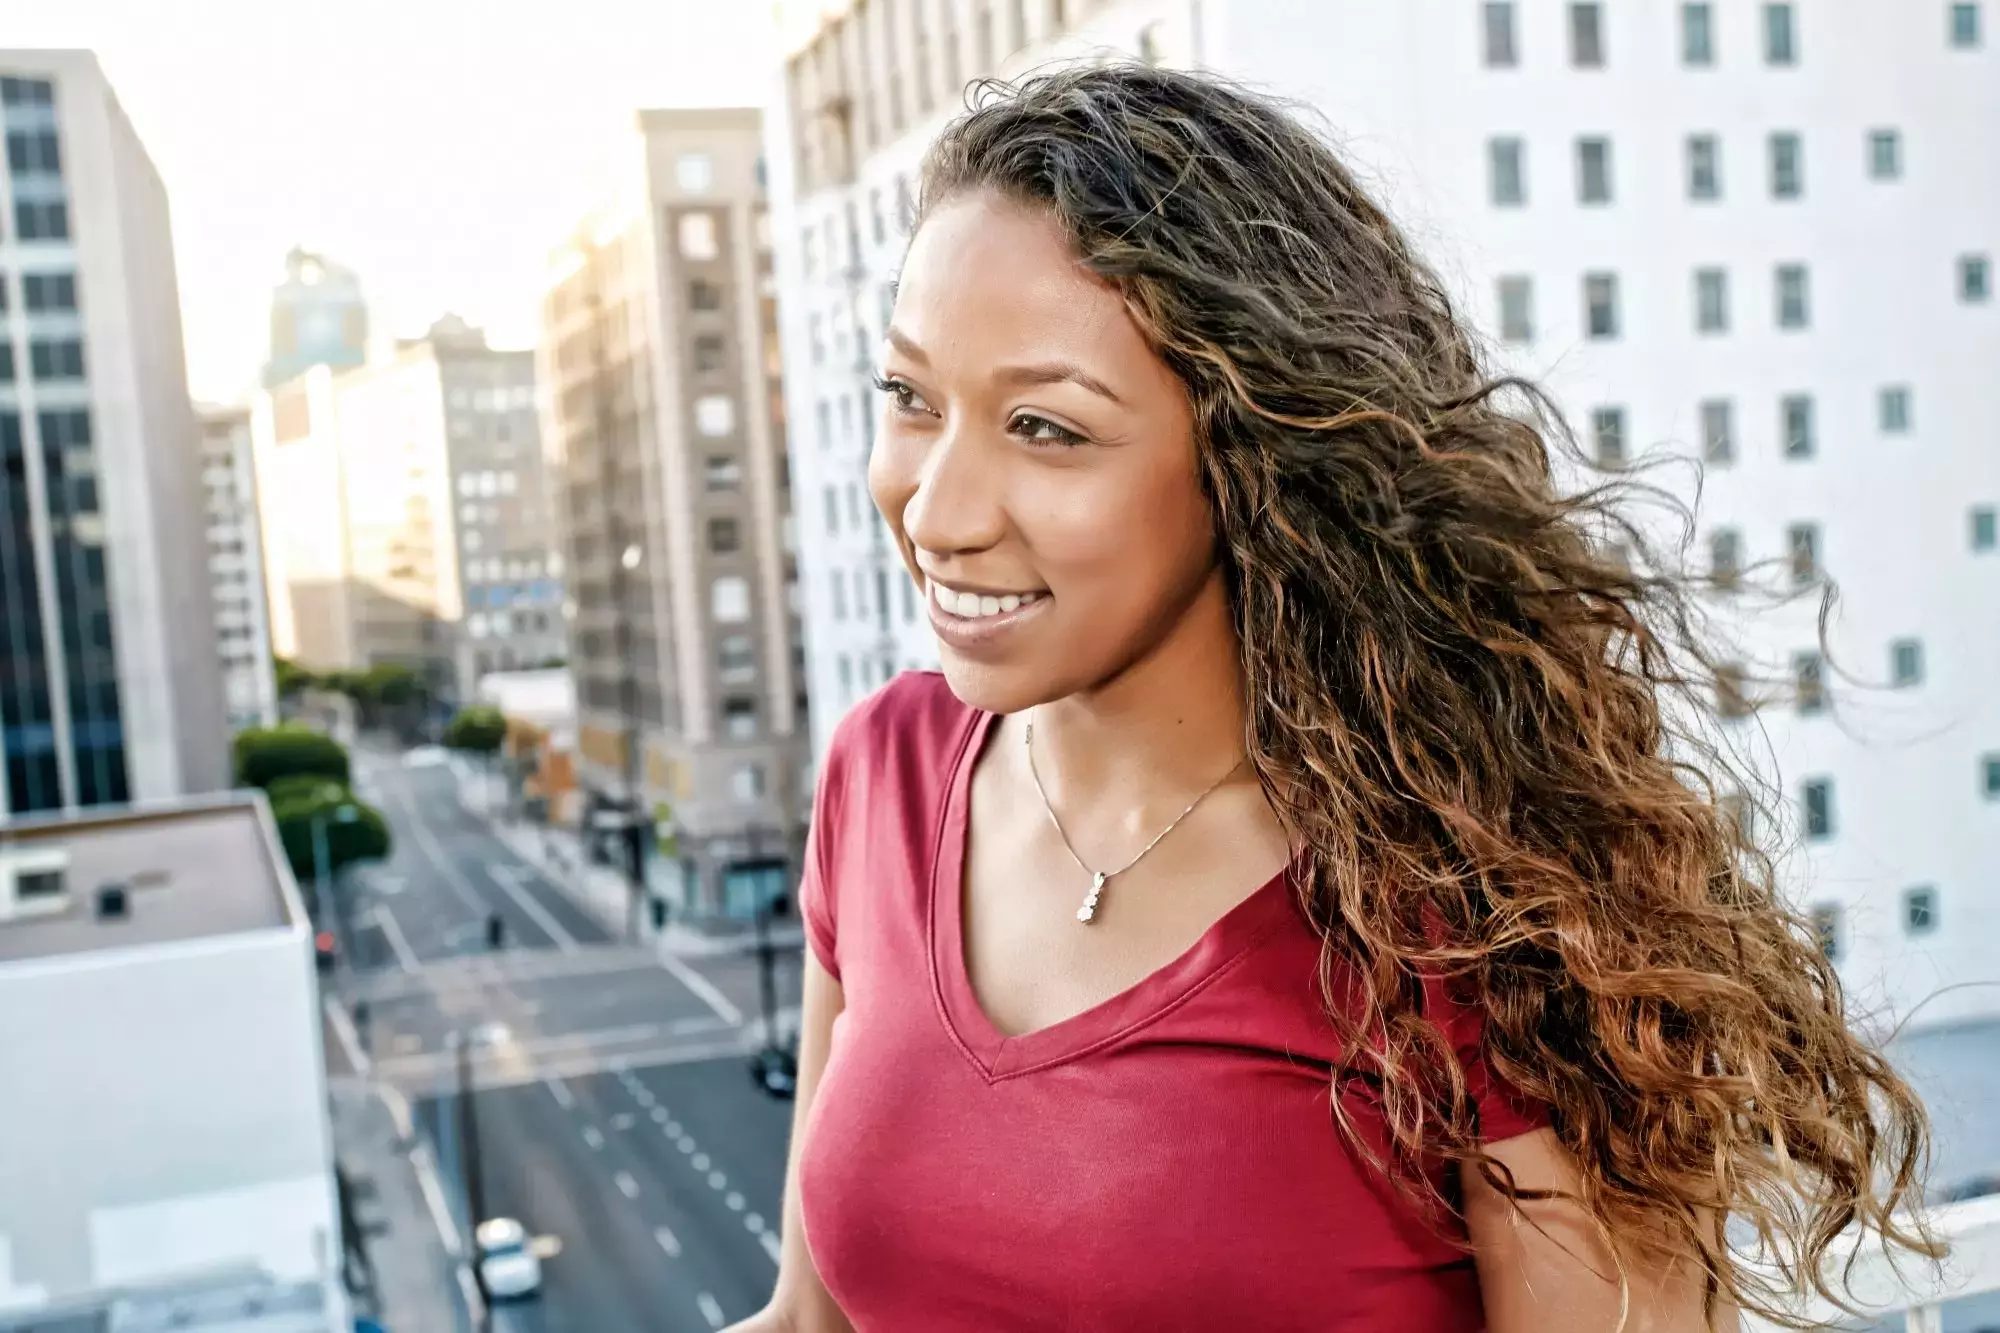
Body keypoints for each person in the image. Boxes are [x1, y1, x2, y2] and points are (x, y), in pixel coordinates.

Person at [731, 66, 1936, 1333]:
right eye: (912, 400)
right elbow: (807, 1323)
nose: (934, 510)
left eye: (1044, 427)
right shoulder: (885, 773)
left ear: (1250, 455)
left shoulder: (1486, 899)